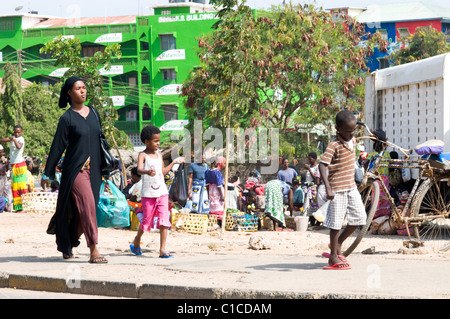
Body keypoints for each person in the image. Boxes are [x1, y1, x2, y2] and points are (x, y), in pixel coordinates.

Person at [44, 76, 107, 263]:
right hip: (75, 171)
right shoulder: (67, 118)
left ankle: (69, 241)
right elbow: (57, 147)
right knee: (87, 205)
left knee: (88, 210)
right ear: (69, 92)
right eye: (78, 88)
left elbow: (101, 140)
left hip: (94, 171)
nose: (83, 91)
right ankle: (94, 249)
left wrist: (107, 167)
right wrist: (47, 173)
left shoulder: (94, 113)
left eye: (84, 88)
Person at [319, 110, 366, 270]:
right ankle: (333, 256)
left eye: (354, 130)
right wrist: (328, 187)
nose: (352, 134)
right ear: (338, 129)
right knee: (336, 223)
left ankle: (338, 243)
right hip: (337, 189)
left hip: (351, 187)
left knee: (360, 218)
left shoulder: (352, 140)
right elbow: (322, 165)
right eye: (348, 131)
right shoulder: (334, 145)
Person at [130, 125, 184, 258]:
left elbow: (163, 172)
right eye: (155, 141)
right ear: (147, 141)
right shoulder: (142, 155)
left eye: (159, 141)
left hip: (162, 192)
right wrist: (147, 171)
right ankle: (137, 240)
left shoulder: (159, 155)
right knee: (147, 222)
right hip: (148, 193)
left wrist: (173, 163)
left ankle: (162, 249)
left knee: (164, 220)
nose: (158, 143)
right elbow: (139, 170)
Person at [365, 129, 391, 219]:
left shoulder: (373, 154)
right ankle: (384, 216)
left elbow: (365, 162)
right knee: (384, 198)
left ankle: (375, 217)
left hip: (376, 179)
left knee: (375, 198)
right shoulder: (387, 154)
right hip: (385, 179)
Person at [0, 125, 27, 212]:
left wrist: (14, 139)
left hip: (20, 165)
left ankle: (24, 206)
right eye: (15, 132)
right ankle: (18, 208)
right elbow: (2, 140)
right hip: (14, 165)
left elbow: (19, 147)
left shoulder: (21, 139)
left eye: (18, 132)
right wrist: (10, 138)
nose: (17, 133)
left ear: (21, 132)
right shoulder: (13, 137)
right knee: (15, 187)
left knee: (21, 187)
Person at [205, 157, 226, 223]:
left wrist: (208, 193)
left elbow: (207, 184)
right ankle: (219, 222)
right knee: (219, 205)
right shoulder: (217, 172)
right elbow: (219, 185)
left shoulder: (207, 172)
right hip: (217, 191)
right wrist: (222, 195)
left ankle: (213, 220)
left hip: (211, 190)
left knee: (213, 204)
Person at [0, 145, 12, 212]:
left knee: (7, 192)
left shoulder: (4, 160)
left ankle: (8, 207)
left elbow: (7, 169)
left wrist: (6, 164)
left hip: (4, 177)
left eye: (2, 152)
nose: (1, 154)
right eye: (0, 152)